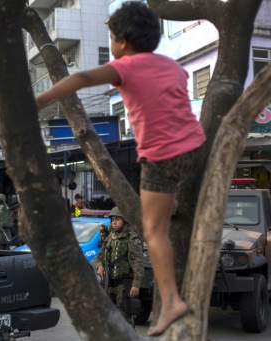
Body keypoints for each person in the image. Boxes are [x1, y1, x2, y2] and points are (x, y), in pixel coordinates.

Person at [35, 2, 206, 335]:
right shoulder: (171, 66)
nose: (111, 45)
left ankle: (171, 301)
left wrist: (39, 101)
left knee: (153, 231)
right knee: (166, 208)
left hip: (162, 157)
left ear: (123, 41)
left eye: (111, 37)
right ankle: (170, 206)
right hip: (195, 149)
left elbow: (83, 77)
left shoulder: (125, 66)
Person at [94, 207, 144, 325]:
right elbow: (100, 255)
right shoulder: (110, 237)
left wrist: (136, 284)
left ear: (125, 221)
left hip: (124, 284)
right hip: (109, 283)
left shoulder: (132, 238)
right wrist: (99, 266)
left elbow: (138, 262)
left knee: (125, 319)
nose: (114, 222)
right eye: (112, 220)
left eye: (117, 219)